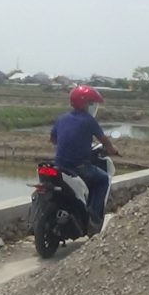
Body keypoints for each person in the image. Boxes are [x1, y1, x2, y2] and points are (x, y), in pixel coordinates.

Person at [50, 85, 120, 226]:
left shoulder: (62, 118)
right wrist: (112, 149)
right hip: (78, 167)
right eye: (91, 103)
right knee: (103, 180)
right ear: (85, 103)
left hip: (59, 165)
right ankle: (93, 217)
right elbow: (104, 140)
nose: (92, 107)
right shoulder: (89, 120)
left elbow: (53, 139)